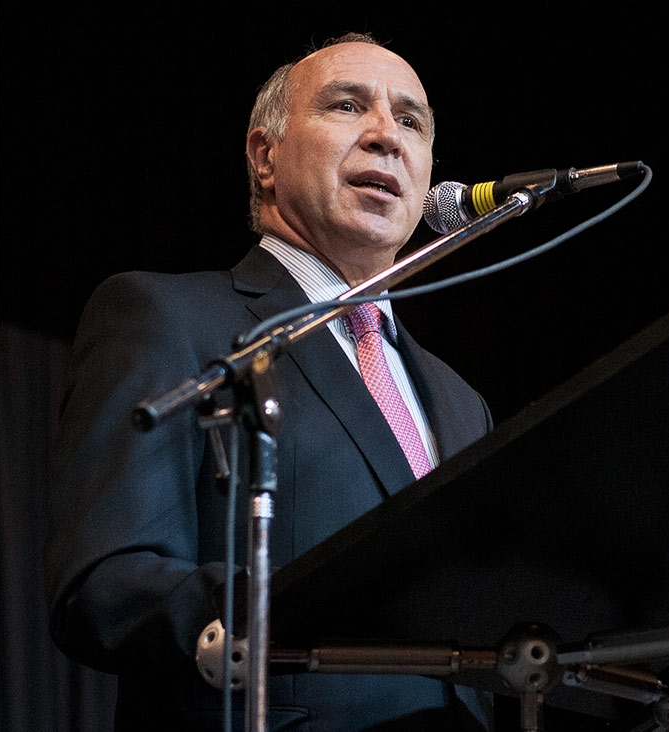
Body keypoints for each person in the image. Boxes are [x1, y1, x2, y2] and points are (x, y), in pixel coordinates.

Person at [44, 32, 494, 731]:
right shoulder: (166, 318)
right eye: (348, 106)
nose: (386, 137)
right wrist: (293, 609)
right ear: (265, 158)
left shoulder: (463, 403)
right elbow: (104, 585)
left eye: (411, 121)